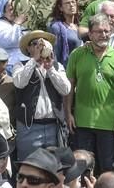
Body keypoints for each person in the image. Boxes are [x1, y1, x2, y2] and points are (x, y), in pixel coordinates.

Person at [66, 14, 114, 174]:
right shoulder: (77, 54)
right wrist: (68, 113)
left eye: (107, 31)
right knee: (82, 167)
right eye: (99, 31)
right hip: (82, 121)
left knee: (108, 166)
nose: (104, 35)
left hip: (109, 122)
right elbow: (69, 85)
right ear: (90, 33)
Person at [12, 31, 71, 161]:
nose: (40, 46)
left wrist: (50, 69)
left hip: (53, 127)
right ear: (28, 48)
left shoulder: (57, 66)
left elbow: (66, 89)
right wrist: (34, 61)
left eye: (43, 43)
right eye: (35, 44)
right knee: (28, 164)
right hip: (29, 128)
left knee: (54, 167)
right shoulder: (20, 65)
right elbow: (19, 83)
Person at [0, 0, 27, 71]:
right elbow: (10, 42)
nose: (14, 12)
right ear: (2, 10)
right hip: (8, 65)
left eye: (15, 9)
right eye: (11, 9)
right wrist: (17, 23)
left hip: (21, 63)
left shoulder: (14, 24)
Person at [48, 0, 82, 66]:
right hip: (67, 70)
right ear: (60, 8)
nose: (71, 5)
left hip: (82, 69)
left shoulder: (80, 26)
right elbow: (55, 53)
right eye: (67, 3)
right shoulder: (57, 28)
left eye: (73, 2)